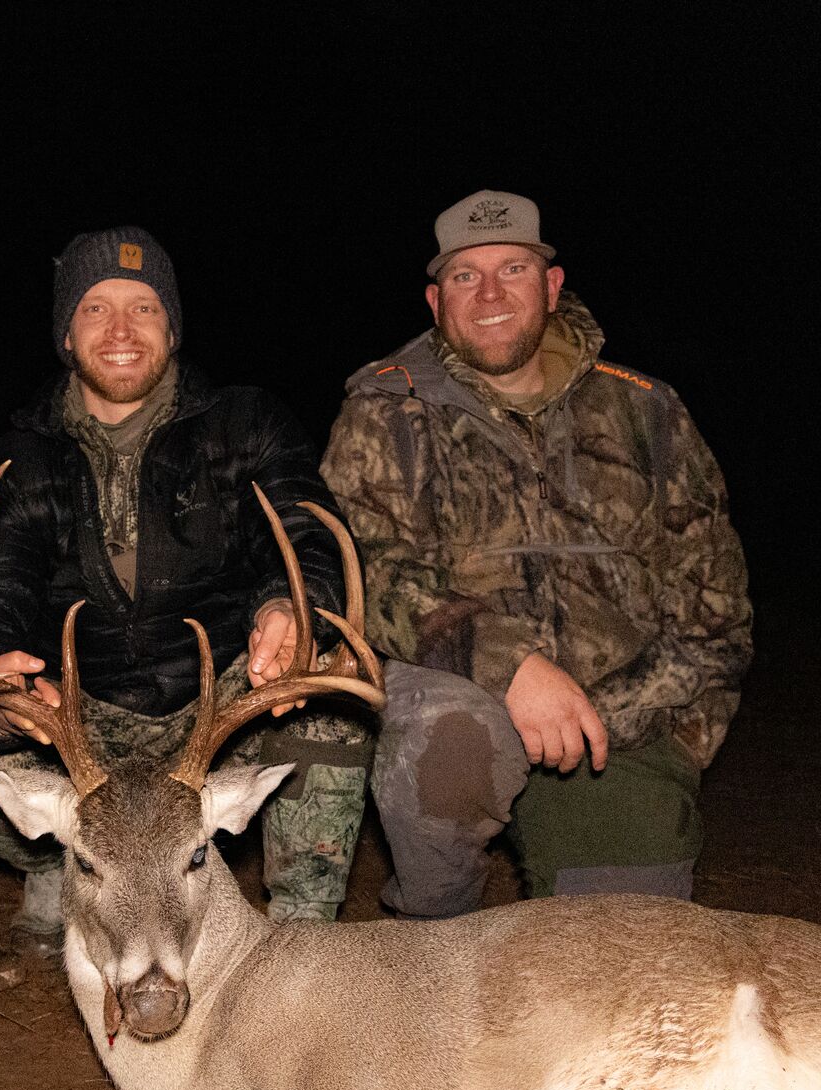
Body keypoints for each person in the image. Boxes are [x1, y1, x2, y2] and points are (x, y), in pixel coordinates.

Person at [0, 226, 374, 989]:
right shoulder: (23, 456)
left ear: (172, 327)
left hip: (214, 708)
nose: (120, 331)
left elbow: (306, 528)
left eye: (143, 308)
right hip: (84, 721)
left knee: (331, 702)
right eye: (95, 309)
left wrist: (291, 608)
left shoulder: (246, 422)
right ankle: (75, 866)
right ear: (65, 335)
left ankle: (298, 947)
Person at [321, 190, 751, 915]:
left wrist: (614, 719)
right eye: (465, 276)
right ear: (436, 299)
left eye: (513, 269)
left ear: (551, 286)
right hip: (463, 699)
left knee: (618, 968)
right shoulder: (384, 411)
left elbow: (717, 617)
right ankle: (436, 933)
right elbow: (361, 570)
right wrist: (509, 666)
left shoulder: (647, 411)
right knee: (444, 743)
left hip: (619, 726)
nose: (489, 294)